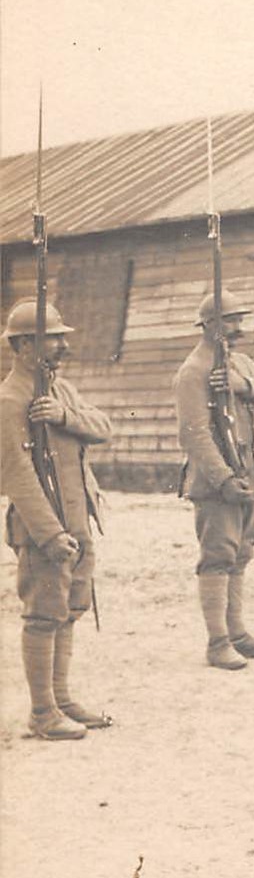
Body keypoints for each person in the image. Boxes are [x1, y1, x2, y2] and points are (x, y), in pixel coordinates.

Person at [1, 301, 112, 738]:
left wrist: (64, 416)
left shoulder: (60, 392)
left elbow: (103, 427)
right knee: (44, 613)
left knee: (70, 608)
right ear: (25, 345)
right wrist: (49, 535)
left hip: (78, 517)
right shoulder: (10, 400)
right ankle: (42, 711)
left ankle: (62, 698)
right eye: (54, 337)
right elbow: (16, 475)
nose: (64, 345)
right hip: (43, 527)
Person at [175, 289, 254, 669]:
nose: (238, 327)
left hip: (251, 474)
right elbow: (195, 434)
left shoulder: (241, 363)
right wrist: (223, 478)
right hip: (218, 483)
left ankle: (238, 633)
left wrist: (245, 386)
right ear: (208, 325)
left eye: (240, 319)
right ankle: (217, 641)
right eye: (230, 320)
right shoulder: (192, 372)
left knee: (241, 554)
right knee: (218, 557)